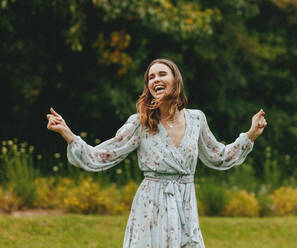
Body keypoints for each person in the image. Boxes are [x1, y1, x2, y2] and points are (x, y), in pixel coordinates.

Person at [46, 58, 267, 248]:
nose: (156, 80)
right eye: (151, 77)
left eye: (162, 74)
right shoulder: (140, 123)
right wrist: (67, 133)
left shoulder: (196, 119)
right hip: (151, 209)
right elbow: (101, 156)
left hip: (185, 208)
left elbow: (219, 156)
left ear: (175, 81)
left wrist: (251, 134)